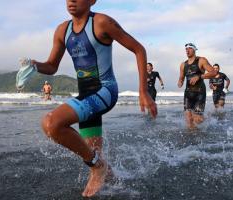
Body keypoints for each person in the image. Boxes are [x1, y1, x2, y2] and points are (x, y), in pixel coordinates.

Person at [16, 0, 157, 197]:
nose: (71, 0)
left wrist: (143, 90)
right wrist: (34, 65)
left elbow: (139, 49)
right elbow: (52, 66)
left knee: (51, 123)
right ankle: (117, 185)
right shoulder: (62, 30)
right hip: (85, 93)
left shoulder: (102, 22)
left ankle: (97, 166)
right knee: (93, 154)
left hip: (105, 91)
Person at [177, 43, 217, 129]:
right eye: (186, 49)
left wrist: (199, 76)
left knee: (197, 120)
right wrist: (180, 82)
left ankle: (206, 119)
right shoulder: (183, 65)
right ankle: (192, 138)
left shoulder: (201, 60)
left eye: (189, 48)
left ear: (194, 50)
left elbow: (213, 72)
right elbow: (181, 78)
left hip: (200, 93)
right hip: (188, 93)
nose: (187, 50)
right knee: (189, 120)